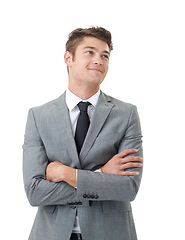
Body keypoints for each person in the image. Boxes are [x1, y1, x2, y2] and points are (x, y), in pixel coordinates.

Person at [23, 26, 143, 240]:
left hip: (111, 233)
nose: (99, 60)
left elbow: (128, 187)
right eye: (90, 52)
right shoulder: (38, 116)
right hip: (51, 233)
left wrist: (67, 175)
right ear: (68, 58)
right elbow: (34, 192)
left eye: (104, 55)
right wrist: (102, 175)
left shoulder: (126, 114)